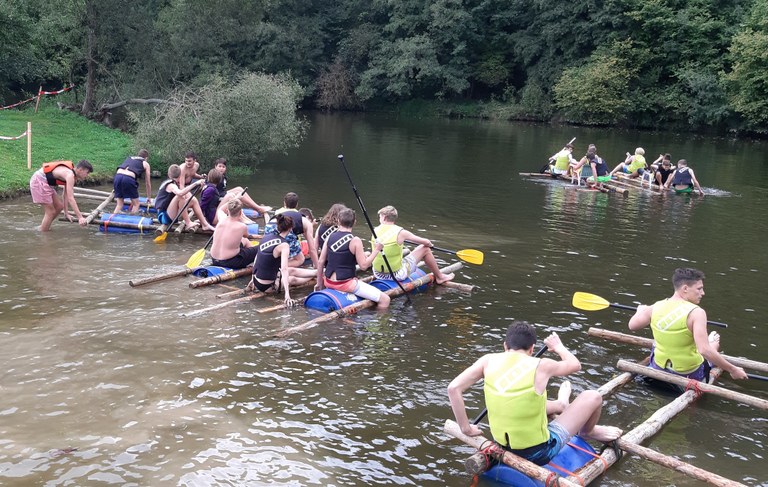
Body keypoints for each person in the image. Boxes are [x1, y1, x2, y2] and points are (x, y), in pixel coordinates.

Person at [447, 322, 622, 471]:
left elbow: (453, 388)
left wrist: (466, 428)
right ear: (532, 349)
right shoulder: (542, 365)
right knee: (593, 396)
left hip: (500, 445)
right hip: (539, 452)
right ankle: (588, 431)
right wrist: (558, 347)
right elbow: (575, 365)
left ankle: (561, 404)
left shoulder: (487, 360)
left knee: (522, 400)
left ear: (505, 346)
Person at [627, 268, 747, 382]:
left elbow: (632, 326)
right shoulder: (697, 312)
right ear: (685, 288)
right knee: (713, 344)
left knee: (658, 344)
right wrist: (733, 369)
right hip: (688, 373)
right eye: (699, 289)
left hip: (658, 366)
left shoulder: (655, 307)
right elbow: (704, 350)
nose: (703, 293)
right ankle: (712, 342)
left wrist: (640, 311)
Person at [315, 208, 391, 309]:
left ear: (338, 221)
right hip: (346, 284)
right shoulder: (355, 240)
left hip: (328, 281)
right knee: (385, 299)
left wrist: (319, 284)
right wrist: (376, 250)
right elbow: (364, 266)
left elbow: (320, 262)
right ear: (354, 222)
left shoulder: (330, 236)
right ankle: (378, 323)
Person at [246, 214, 317, 306]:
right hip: (268, 286)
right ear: (291, 228)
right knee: (292, 279)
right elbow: (284, 269)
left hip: (257, 281)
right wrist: (287, 295)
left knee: (292, 270)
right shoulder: (284, 245)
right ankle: (316, 274)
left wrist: (252, 279)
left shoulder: (267, 237)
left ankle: (316, 272)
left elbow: (257, 259)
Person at [372, 205, 454, 284]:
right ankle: (440, 277)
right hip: (396, 275)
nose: (379, 218)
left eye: (380, 216)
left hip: (377, 273)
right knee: (425, 248)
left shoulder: (375, 231)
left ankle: (440, 276)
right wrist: (430, 244)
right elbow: (426, 242)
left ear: (384, 217)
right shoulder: (401, 232)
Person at [29, 159, 93, 231]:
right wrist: (80, 217)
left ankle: (44, 226)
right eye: (87, 173)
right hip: (39, 181)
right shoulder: (70, 175)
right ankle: (43, 233)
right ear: (80, 169)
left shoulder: (72, 175)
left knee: (59, 206)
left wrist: (66, 213)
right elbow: (71, 198)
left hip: (45, 182)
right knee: (50, 212)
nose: (87, 175)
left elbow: (66, 195)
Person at [154, 164, 215, 231]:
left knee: (193, 200)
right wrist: (196, 183)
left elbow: (186, 194)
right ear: (180, 175)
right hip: (163, 217)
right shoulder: (171, 185)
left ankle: (205, 225)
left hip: (170, 213)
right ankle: (188, 222)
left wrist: (199, 185)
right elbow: (181, 193)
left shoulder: (175, 183)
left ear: (169, 174)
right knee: (180, 197)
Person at [210, 199, 258, 269]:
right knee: (259, 248)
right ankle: (255, 263)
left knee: (245, 241)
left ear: (227, 210)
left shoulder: (221, 219)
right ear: (241, 212)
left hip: (214, 260)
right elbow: (246, 236)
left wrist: (233, 199)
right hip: (230, 262)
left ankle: (250, 261)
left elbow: (220, 209)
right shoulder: (242, 226)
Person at [274, 192, 318, 268]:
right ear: (297, 204)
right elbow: (312, 249)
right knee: (301, 259)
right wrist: (318, 267)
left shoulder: (277, 212)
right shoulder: (301, 217)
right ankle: (277, 266)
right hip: (285, 237)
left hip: (272, 236)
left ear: (284, 203)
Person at [113, 149, 151, 214]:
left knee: (119, 204)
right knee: (136, 204)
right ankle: (131, 219)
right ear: (146, 158)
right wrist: (149, 198)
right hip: (128, 179)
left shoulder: (129, 158)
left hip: (117, 177)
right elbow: (147, 183)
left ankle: (111, 219)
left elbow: (122, 173)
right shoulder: (145, 163)